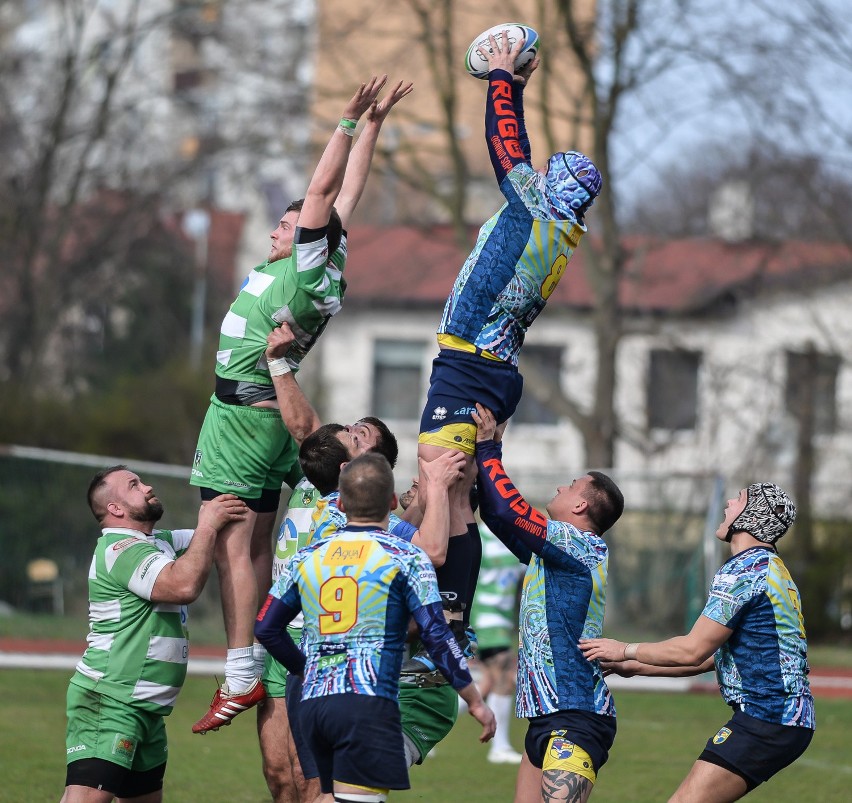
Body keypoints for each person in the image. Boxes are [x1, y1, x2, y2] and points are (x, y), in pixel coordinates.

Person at [190, 76, 413, 735]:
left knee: (232, 539)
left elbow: (324, 194)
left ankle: (239, 675)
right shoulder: (327, 263)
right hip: (257, 414)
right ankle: (248, 664)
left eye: (287, 224)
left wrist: (345, 121)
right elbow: (346, 199)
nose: (278, 228)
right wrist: (374, 125)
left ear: (309, 236)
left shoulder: (309, 265)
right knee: (254, 536)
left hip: (240, 414)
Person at [415, 33, 603, 655]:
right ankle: (453, 620)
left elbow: (505, 148)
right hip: (489, 367)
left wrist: (501, 76)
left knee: (438, 482)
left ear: (554, 188)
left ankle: (429, 622)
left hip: (473, 366)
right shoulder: (562, 230)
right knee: (457, 492)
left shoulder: (537, 214)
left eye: (548, 173)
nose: (536, 172)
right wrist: (517, 86)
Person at [255, 453, 496, 802]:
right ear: (394, 502)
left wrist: (305, 669)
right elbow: (436, 634)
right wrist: (474, 700)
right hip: (365, 704)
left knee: (331, 797)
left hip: (313, 707)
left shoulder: (308, 556)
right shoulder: (405, 557)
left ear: (340, 502)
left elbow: (266, 628)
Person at [580, 483, 814, 803]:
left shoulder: (744, 569)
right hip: (785, 719)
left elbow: (693, 650)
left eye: (740, 499)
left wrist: (622, 649)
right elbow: (709, 659)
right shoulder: (773, 569)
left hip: (768, 717)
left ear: (752, 516)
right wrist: (631, 667)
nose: (730, 502)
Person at [62, 467, 248, 803]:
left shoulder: (156, 540)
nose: (147, 487)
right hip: (112, 699)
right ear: (116, 509)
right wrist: (207, 523)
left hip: (145, 708)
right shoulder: (121, 549)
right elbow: (183, 584)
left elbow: (218, 540)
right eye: (134, 485)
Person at [472, 403, 624, 803]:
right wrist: (489, 451)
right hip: (545, 718)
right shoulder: (554, 552)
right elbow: (496, 514)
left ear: (581, 506)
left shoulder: (580, 545)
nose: (559, 488)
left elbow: (509, 508)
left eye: (570, 486)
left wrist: (487, 450)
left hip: (575, 716)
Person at [470, 521, 525, 764]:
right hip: (484, 617)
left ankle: (424, 725)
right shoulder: (480, 538)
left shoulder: (516, 539)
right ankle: (499, 747)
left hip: (500, 621)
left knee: (485, 683)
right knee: (503, 673)